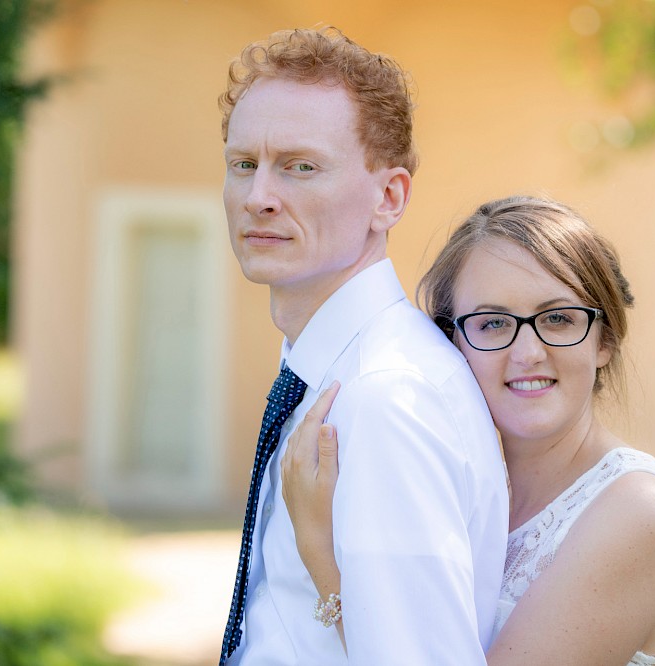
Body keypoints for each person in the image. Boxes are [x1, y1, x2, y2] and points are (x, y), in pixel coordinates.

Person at [282, 195, 655, 665]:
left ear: (604, 339)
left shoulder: (640, 512)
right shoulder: (456, 488)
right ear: (452, 344)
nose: (527, 352)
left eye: (557, 318)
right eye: (492, 323)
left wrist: (322, 560)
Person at [217, 27, 510, 666]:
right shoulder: (327, 371)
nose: (259, 197)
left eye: (300, 167)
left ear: (389, 197)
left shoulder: (386, 400)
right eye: (244, 164)